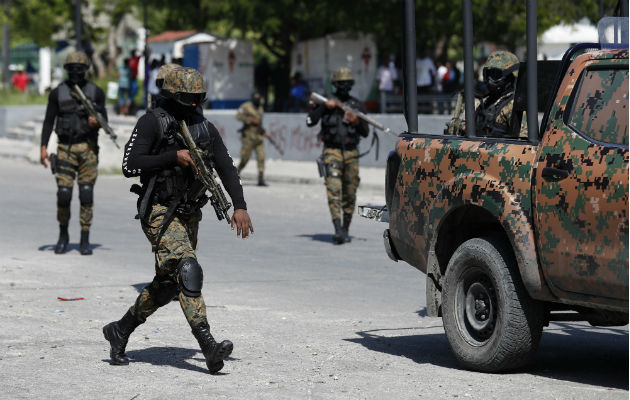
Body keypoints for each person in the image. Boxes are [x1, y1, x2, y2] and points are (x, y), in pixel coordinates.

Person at [103, 67, 254, 374]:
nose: (194, 104)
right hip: (158, 211)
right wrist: (173, 157)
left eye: (198, 98)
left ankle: (120, 329)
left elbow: (226, 166)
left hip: (189, 214)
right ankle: (209, 346)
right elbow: (130, 164)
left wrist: (240, 206)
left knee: (168, 286)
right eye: (188, 98)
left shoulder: (204, 127)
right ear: (172, 96)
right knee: (188, 269)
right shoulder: (152, 121)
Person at [39, 51, 107, 255]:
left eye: (80, 68)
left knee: (86, 193)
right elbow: (49, 121)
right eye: (72, 69)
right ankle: (63, 235)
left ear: (86, 69)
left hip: (88, 149)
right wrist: (43, 147)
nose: (76, 72)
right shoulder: (57, 93)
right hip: (65, 149)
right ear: (67, 70)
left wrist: (98, 122)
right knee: (64, 194)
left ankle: (85, 238)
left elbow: (105, 119)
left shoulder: (96, 92)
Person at [306, 67, 369, 244]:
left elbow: (365, 132)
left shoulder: (357, 105)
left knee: (350, 192)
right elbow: (309, 121)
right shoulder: (326, 103)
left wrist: (357, 121)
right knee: (333, 189)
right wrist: (324, 107)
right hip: (331, 151)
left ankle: (346, 229)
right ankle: (338, 229)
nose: (344, 87)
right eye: (340, 83)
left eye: (347, 84)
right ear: (334, 84)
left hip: (351, 153)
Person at [474, 50, 522, 137]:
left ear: (510, 76)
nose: (489, 79)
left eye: (495, 74)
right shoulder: (485, 102)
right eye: (487, 74)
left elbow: (525, 146)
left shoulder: (515, 105)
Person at [236, 91, 270, 186]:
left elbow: (260, 123)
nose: (257, 99)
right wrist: (250, 120)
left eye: (259, 98)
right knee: (245, 159)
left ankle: (261, 178)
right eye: (256, 97)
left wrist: (264, 132)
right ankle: (235, 174)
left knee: (261, 157)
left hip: (258, 137)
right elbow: (238, 116)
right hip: (248, 138)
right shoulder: (246, 106)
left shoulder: (260, 108)